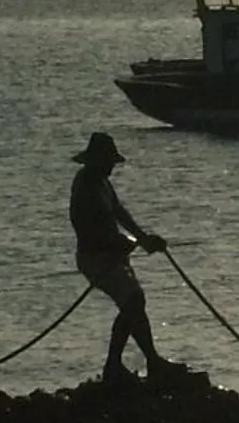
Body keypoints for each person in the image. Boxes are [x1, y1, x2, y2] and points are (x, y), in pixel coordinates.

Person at [69, 131, 178, 385]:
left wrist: (142, 237)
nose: (111, 167)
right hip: (95, 258)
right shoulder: (85, 186)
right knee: (133, 301)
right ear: (95, 160)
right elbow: (85, 226)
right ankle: (118, 365)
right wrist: (123, 244)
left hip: (111, 255)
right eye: (108, 161)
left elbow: (118, 212)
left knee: (134, 303)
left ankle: (148, 362)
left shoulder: (102, 183)